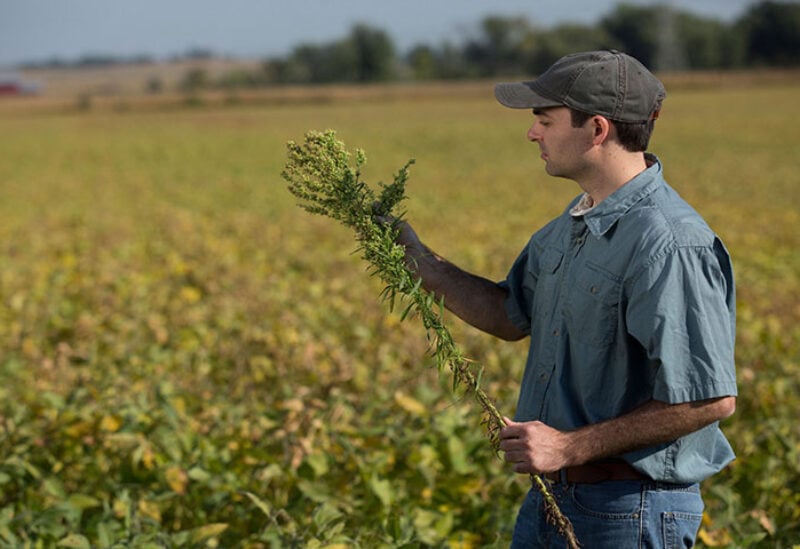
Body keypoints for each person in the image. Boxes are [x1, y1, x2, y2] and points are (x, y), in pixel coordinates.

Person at [390, 50, 738, 547]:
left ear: (596, 130)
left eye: (545, 120)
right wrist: (420, 261)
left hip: (630, 511)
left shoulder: (668, 243)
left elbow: (708, 398)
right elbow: (508, 314)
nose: (533, 133)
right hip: (552, 501)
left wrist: (568, 447)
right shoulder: (569, 228)